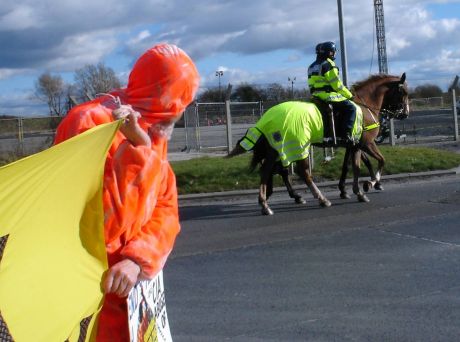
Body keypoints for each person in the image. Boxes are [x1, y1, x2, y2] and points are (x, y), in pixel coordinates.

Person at [54, 43, 200, 341]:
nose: (178, 114)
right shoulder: (89, 122)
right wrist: (140, 149)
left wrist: (137, 260)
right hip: (85, 289)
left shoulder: (154, 128)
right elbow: (96, 213)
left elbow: (164, 208)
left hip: (130, 293)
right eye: (179, 104)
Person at [307, 41, 356, 144]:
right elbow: (337, 85)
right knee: (351, 108)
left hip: (316, 95)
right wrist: (349, 95)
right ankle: (346, 135)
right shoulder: (328, 65)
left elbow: (311, 85)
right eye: (333, 52)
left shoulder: (311, 66)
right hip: (329, 96)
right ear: (330, 53)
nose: (334, 54)